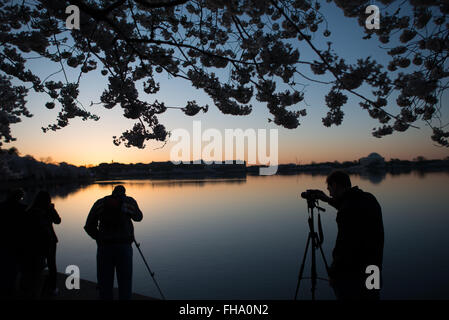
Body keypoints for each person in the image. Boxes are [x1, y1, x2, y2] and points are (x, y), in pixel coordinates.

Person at [313, 170, 384, 300]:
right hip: (374, 268)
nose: (330, 193)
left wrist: (334, 273)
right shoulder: (369, 198)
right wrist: (327, 199)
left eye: (329, 189)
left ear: (335, 185)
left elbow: (343, 246)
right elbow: (349, 204)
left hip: (352, 275)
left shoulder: (346, 211)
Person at [84, 185, 143, 300]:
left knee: (104, 282)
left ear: (112, 192)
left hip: (104, 248)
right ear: (124, 193)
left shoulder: (100, 203)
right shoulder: (128, 202)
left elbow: (88, 226)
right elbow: (139, 217)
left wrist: (99, 238)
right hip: (124, 247)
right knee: (125, 282)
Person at [22, 191, 61, 298]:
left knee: (37, 265)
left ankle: (33, 288)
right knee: (52, 265)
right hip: (50, 241)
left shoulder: (30, 211)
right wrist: (52, 209)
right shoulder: (48, 210)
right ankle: (52, 288)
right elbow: (58, 221)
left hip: (35, 242)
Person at [0, 189, 27, 298]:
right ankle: (12, 290)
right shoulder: (22, 209)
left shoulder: (1, 207)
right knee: (14, 267)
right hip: (16, 242)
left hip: (3, 241)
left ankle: (6, 288)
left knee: (5, 265)